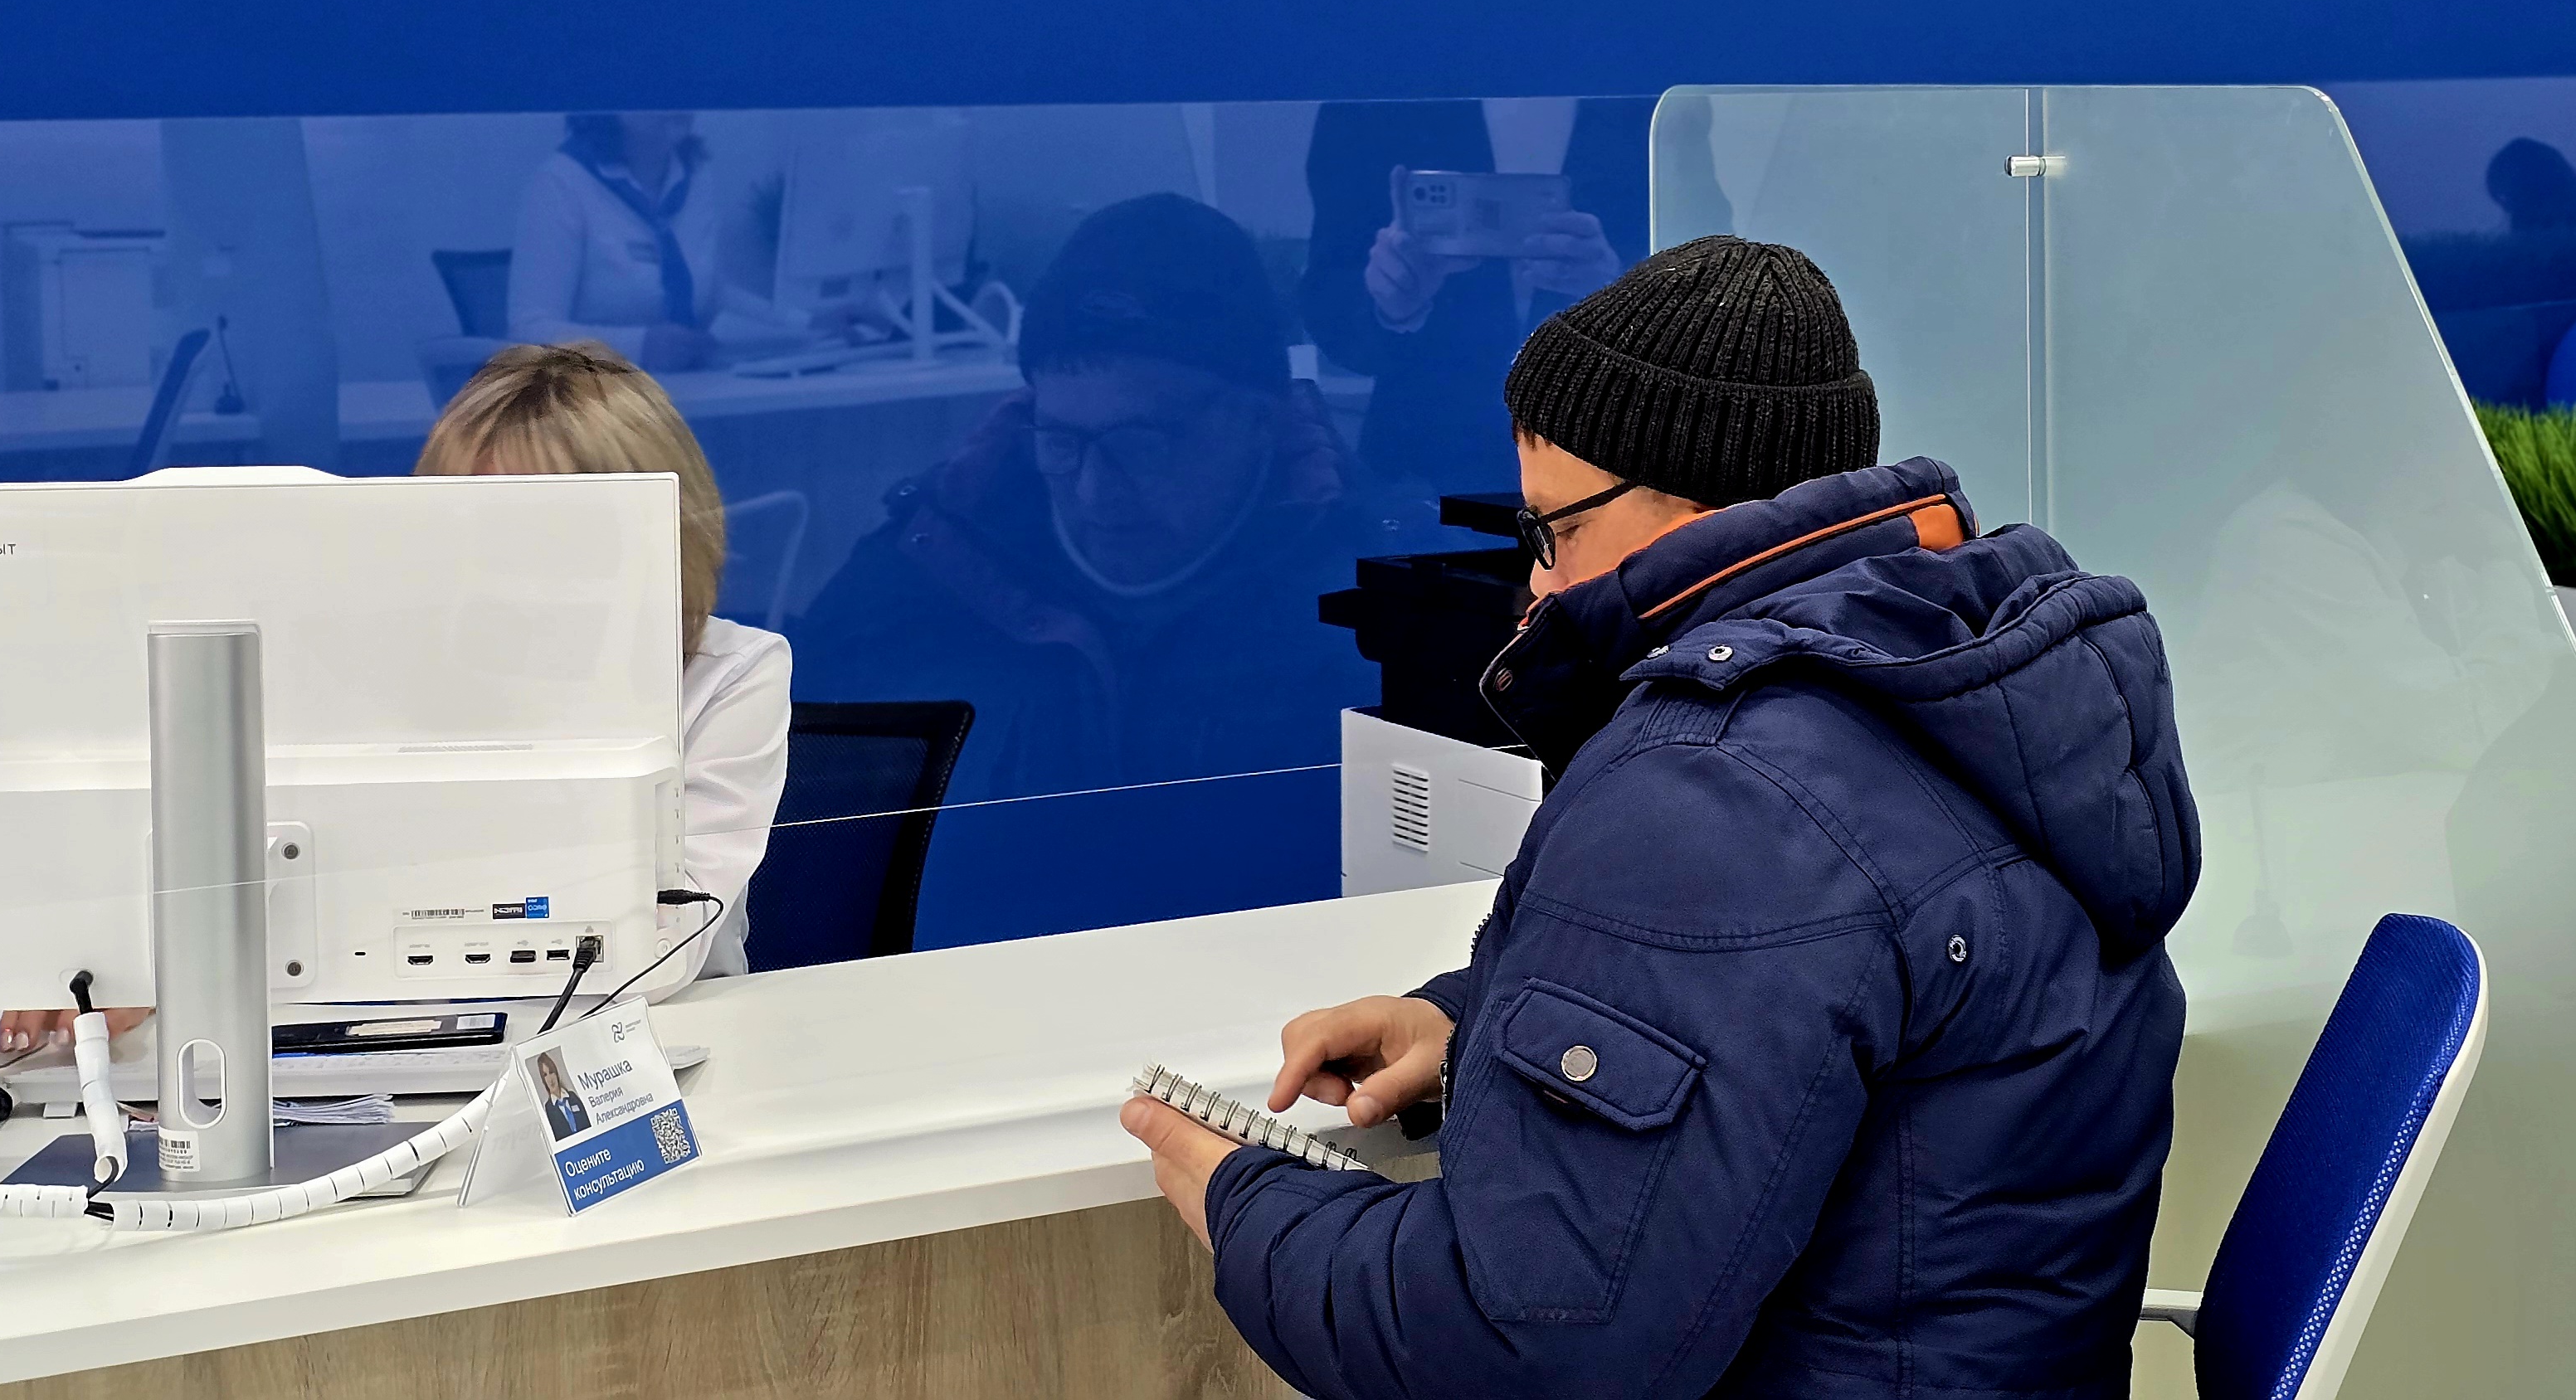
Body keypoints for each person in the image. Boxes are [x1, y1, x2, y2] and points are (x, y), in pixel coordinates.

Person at [1122, 236, 2201, 1400]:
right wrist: (1471, 1021)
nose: (1535, 583)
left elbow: (1525, 1349)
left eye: (1552, 528)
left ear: (1689, 501)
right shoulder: (1961, 680)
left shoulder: (1718, 787)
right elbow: (1808, 990)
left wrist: (1247, 1200)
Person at [801, 192, 1372, 802]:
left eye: (1141, 445)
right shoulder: (917, 574)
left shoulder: (1380, 608)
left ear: (1261, 423)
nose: (1095, 492)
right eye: (1061, 442)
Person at [418, 342, 790, 980]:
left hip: (665, 1024)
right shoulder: (410, 674)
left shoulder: (729, 675)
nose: (508, 566)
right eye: (480, 529)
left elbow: (664, 949)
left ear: (647, 529)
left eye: (544, 529)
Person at [1296, 98, 1649, 495]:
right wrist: (1389, 303)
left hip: (1615, 456)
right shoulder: (1376, 100)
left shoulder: (1642, 101)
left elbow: (1696, 269)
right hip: (1429, 471)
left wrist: (1622, 293)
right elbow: (1329, 306)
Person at [509, 111, 759, 374]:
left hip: (695, 385)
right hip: (597, 389)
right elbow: (529, 332)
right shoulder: (561, 183)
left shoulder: (696, 176)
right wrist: (638, 346)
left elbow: (709, 292)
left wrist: (787, 321)